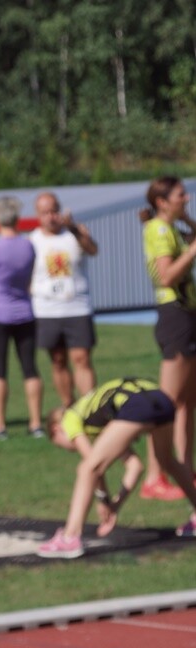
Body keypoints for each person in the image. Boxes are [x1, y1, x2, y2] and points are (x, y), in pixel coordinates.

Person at [38, 377, 196, 558]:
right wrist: (115, 506)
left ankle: (69, 537)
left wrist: (103, 500)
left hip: (136, 404)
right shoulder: (102, 420)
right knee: (168, 461)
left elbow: (92, 467)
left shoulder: (70, 419)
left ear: (57, 429)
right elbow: (135, 466)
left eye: (60, 445)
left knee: (85, 469)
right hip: (161, 399)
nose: (69, 448)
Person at [140, 176, 196, 500]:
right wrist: (191, 252)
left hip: (187, 314)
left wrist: (185, 220)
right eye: (180, 195)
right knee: (168, 402)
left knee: (189, 401)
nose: (186, 199)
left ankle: (185, 469)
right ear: (162, 202)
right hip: (174, 314)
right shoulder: (159, 230)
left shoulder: (170, 226)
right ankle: (154, 476)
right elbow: (166, 275)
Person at [0, 195, 42, 439]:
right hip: (25, 312)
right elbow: (28, 280)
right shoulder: (28, 246)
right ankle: (36, 423)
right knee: (30, 369)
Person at [29, 192, 98, 408]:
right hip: (47, 310)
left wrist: (76, 229)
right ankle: (69, 405)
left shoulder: (74, 233)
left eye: (54, 211)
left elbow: (93, 250)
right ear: (38, 215)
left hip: (77, 307)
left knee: (82, 358)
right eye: (45, 213)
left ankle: (89, 408)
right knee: (58, 361)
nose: (51, 216)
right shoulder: (32, 241)